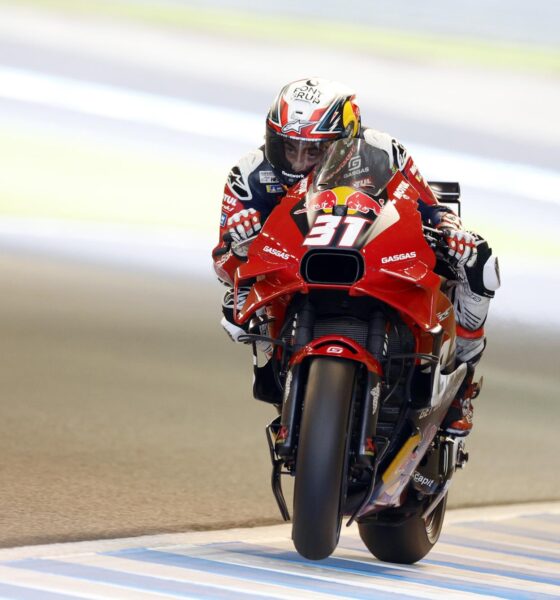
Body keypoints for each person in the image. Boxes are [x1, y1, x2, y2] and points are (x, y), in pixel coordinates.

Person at [212, 78, 500, 436]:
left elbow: (430, 207)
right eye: (289, 147)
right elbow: (223, 263)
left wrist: (453, 231)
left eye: (313, 151)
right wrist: (239, 244)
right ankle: (281, 378)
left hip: (370, 254)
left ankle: (461, 386)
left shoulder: (382, 150)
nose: (300, 160)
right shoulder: (249, 174)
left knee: (479, 263)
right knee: (235, 311)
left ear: (343, 141)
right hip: (292, 271)